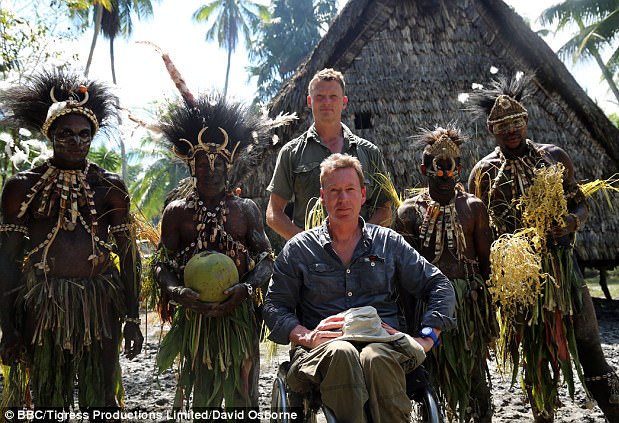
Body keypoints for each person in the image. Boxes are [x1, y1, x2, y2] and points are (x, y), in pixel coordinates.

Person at [467, 73, 619, 423]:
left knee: (590, 349)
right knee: (534, 357)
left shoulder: (553, 157)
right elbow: (478, 229)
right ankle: (544, 416)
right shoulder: (482, 173)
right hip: (517, 280)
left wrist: (569, 224)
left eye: (516, 123)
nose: (511, 130)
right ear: (491, 131)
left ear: (526, 121)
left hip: (562, 268)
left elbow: (580, 204)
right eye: (502, 126)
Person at [263, 153, 456, 423]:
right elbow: (274, 306)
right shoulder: (299, 249)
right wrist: (305, 337)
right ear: (322, 196)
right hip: (321, 351)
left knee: (376, 358)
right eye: (334, 191)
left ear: (363, 194)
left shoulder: (388, 243)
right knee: (342, 354)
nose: (343, 199)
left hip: (384, 344)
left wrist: (426, 338)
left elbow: (439, 284)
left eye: (350, 189)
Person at [0, 69, 143, 408]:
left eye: (84, 134)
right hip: (43, 302)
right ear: (50, 135)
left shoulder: (109, 186)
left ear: (93, 136)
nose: (76, 141)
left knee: (102, 400)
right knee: (49, 400)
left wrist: (134, 319)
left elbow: (129, 256)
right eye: (65, 134)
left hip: (101, 302)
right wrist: (8, 327)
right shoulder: (22, 186)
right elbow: (7, 259)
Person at [150, 93, 275, 411]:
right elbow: (161, 264)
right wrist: (177, 291)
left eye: (218, 162)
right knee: (203, 399)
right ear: (191, 165)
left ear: (229, 165)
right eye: (202, 163)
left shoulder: (245, 210)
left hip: (239, 315)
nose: (210, 169)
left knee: (243, 398)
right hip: (196, 319)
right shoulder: (177, 212)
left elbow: (266, 260)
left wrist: (246, 290)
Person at [395, 125, 497, 422]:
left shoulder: (474, 208)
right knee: (431, 374)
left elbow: (486, 263)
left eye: (449, 168)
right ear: (423, 168)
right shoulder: (408, 212)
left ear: (459, 168)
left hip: (468, 305)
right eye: (436, 169)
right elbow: (403, 273)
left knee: (474, 371)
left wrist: (486, 307)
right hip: (427, 306)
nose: (444, 176)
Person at [266, 68, 392, 240]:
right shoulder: (291, 153)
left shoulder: (369, 152)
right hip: (310, 262)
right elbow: (273, 213)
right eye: (320, 97)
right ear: (309, 101)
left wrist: (361, 239)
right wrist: (306, 244)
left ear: (344, 102)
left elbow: (385, 209)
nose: (327, 102)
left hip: (361, 257)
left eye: (333, 97)